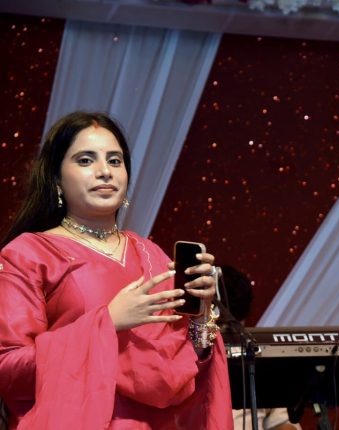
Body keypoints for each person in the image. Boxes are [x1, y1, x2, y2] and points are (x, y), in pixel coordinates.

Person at [0, 111, 233, 429]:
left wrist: (201, 317)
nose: (105, 172)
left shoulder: (152, 255)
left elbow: (178, 371)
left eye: (115, 160)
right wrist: (106, 323)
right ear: (56, 178)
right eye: (85, 160)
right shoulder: (28, 254)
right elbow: (8, 370)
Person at [216, 266, 300, 430]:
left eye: (231, 326)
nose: (224, 334)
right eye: (220, 325)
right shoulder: (185, 360)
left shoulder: (257, 361)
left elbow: (283, 423)